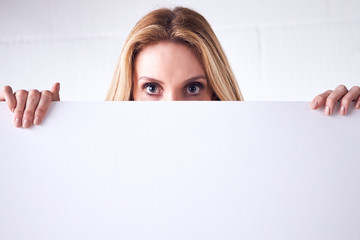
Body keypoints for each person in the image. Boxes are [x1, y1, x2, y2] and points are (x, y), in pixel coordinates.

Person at [1, 7, 359, 128]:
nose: (172, 110)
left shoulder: (262, 170)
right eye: (152, 88)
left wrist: (344, 129)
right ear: (129, 93)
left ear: (216, 93)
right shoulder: (93, 172)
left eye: (192, 88)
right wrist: (37, 134)